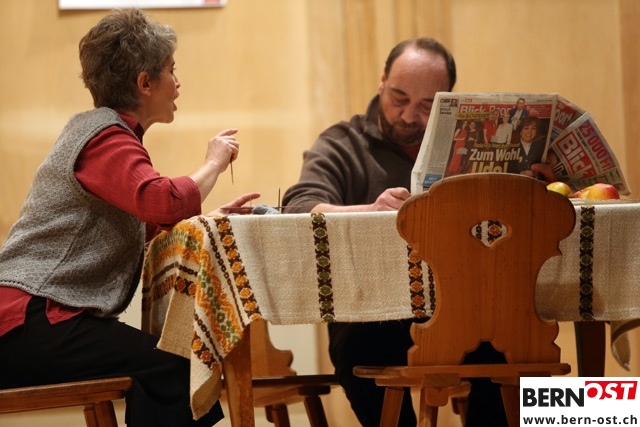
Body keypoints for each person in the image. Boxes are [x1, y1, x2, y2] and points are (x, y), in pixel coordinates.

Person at [0, 9, 258, 427]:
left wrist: (209, 217)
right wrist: (213, 162)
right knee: (172, 371)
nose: (178, 82)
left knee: (166, 368)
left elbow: (151, 226)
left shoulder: (103, 134)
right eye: (172, 69)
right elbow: (163, 202)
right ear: (145, 83)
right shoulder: (104, 138)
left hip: (36, 321)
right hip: (30, 321)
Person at [282, 37, 524, 427]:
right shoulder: (343, 144)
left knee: (516, 347)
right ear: (382, 81)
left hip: (471, 311)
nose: (409, 115)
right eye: (399, 98)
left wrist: (536, 187)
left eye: (427, 105)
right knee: (357, 349)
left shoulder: (476, 146)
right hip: (376, 317)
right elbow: (298, 206)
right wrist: (370, 211)